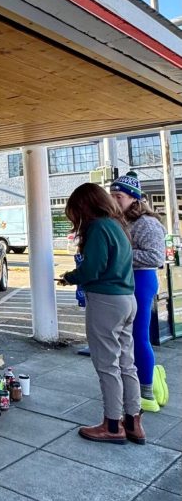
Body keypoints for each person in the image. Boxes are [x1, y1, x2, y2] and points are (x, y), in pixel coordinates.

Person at [59, 183, 145, 445]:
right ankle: (133, 422)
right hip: (127, 299)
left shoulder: (97, 227)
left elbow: (93, 269)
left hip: (106, 301)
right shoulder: (118, 225)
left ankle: (111, 425)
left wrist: (69, 277)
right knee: (126, 363)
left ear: (85, 205)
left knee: (107, 365)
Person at [110, 171, 169, 411]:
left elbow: (155, 256)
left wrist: (119, 256)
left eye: (119, 196)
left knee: (138, 336)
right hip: (124, 281)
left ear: (134, 198)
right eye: (112, 195)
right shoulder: (120, 221)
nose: (114, 201)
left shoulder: (148, 223)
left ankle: (146, 391)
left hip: (141, 281)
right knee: (125, 338)